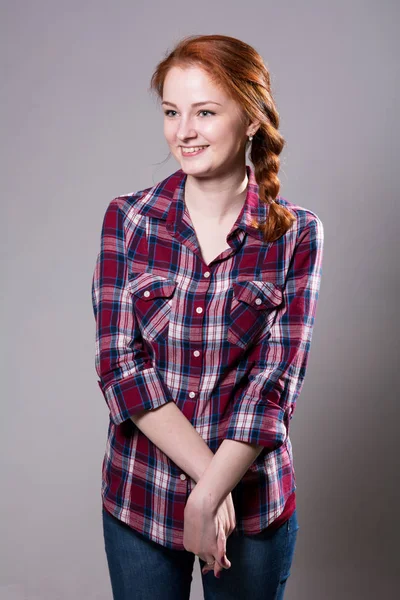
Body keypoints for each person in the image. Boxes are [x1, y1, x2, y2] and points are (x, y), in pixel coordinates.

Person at [91, 33, 324, 600]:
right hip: (140, 496)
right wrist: (207, 485)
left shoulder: (295, 235)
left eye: (205, 112)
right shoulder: (128, 220)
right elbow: (121, 369)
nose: (183, 132)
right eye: (172, 112)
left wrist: (208, 492)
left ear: (250, 119)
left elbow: (274, 388)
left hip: (256, 505)